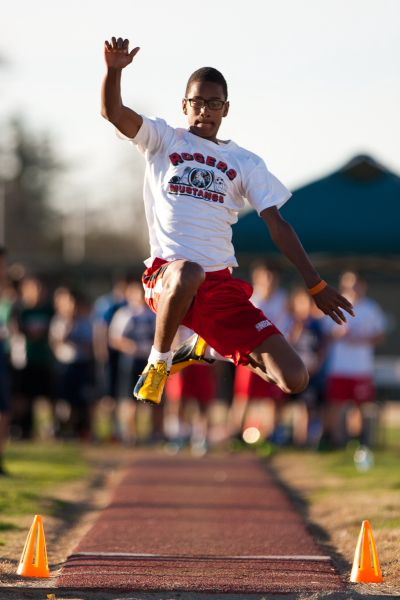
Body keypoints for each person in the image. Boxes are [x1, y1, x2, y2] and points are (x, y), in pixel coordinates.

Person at [101, 36, 354, 406]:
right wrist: (113, 72)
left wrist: (315, 285)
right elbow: (114, 112)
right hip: (168, 278)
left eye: (214, 103)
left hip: (220, 287)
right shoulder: (163, 139)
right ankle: (159, 362)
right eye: (198, 103)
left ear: (226, 108)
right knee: (188, 271)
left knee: (295, 378)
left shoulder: (245, 162)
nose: (205, 111)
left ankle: (209, 349)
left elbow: (277, 223)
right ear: (184, 106)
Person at [323, 271, 386, 448]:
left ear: (363, 285)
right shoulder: (335, 304)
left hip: (361, 368)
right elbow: (326, 333)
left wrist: (362, 339)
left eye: (356, 284)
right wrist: (339, 334)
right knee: (336, 404)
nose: (352, 288)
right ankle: (337, 441)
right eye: (348, 284)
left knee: (361, 406)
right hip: (339, 367)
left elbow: (380, 335)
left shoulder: (371, 308)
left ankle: (358, 441)